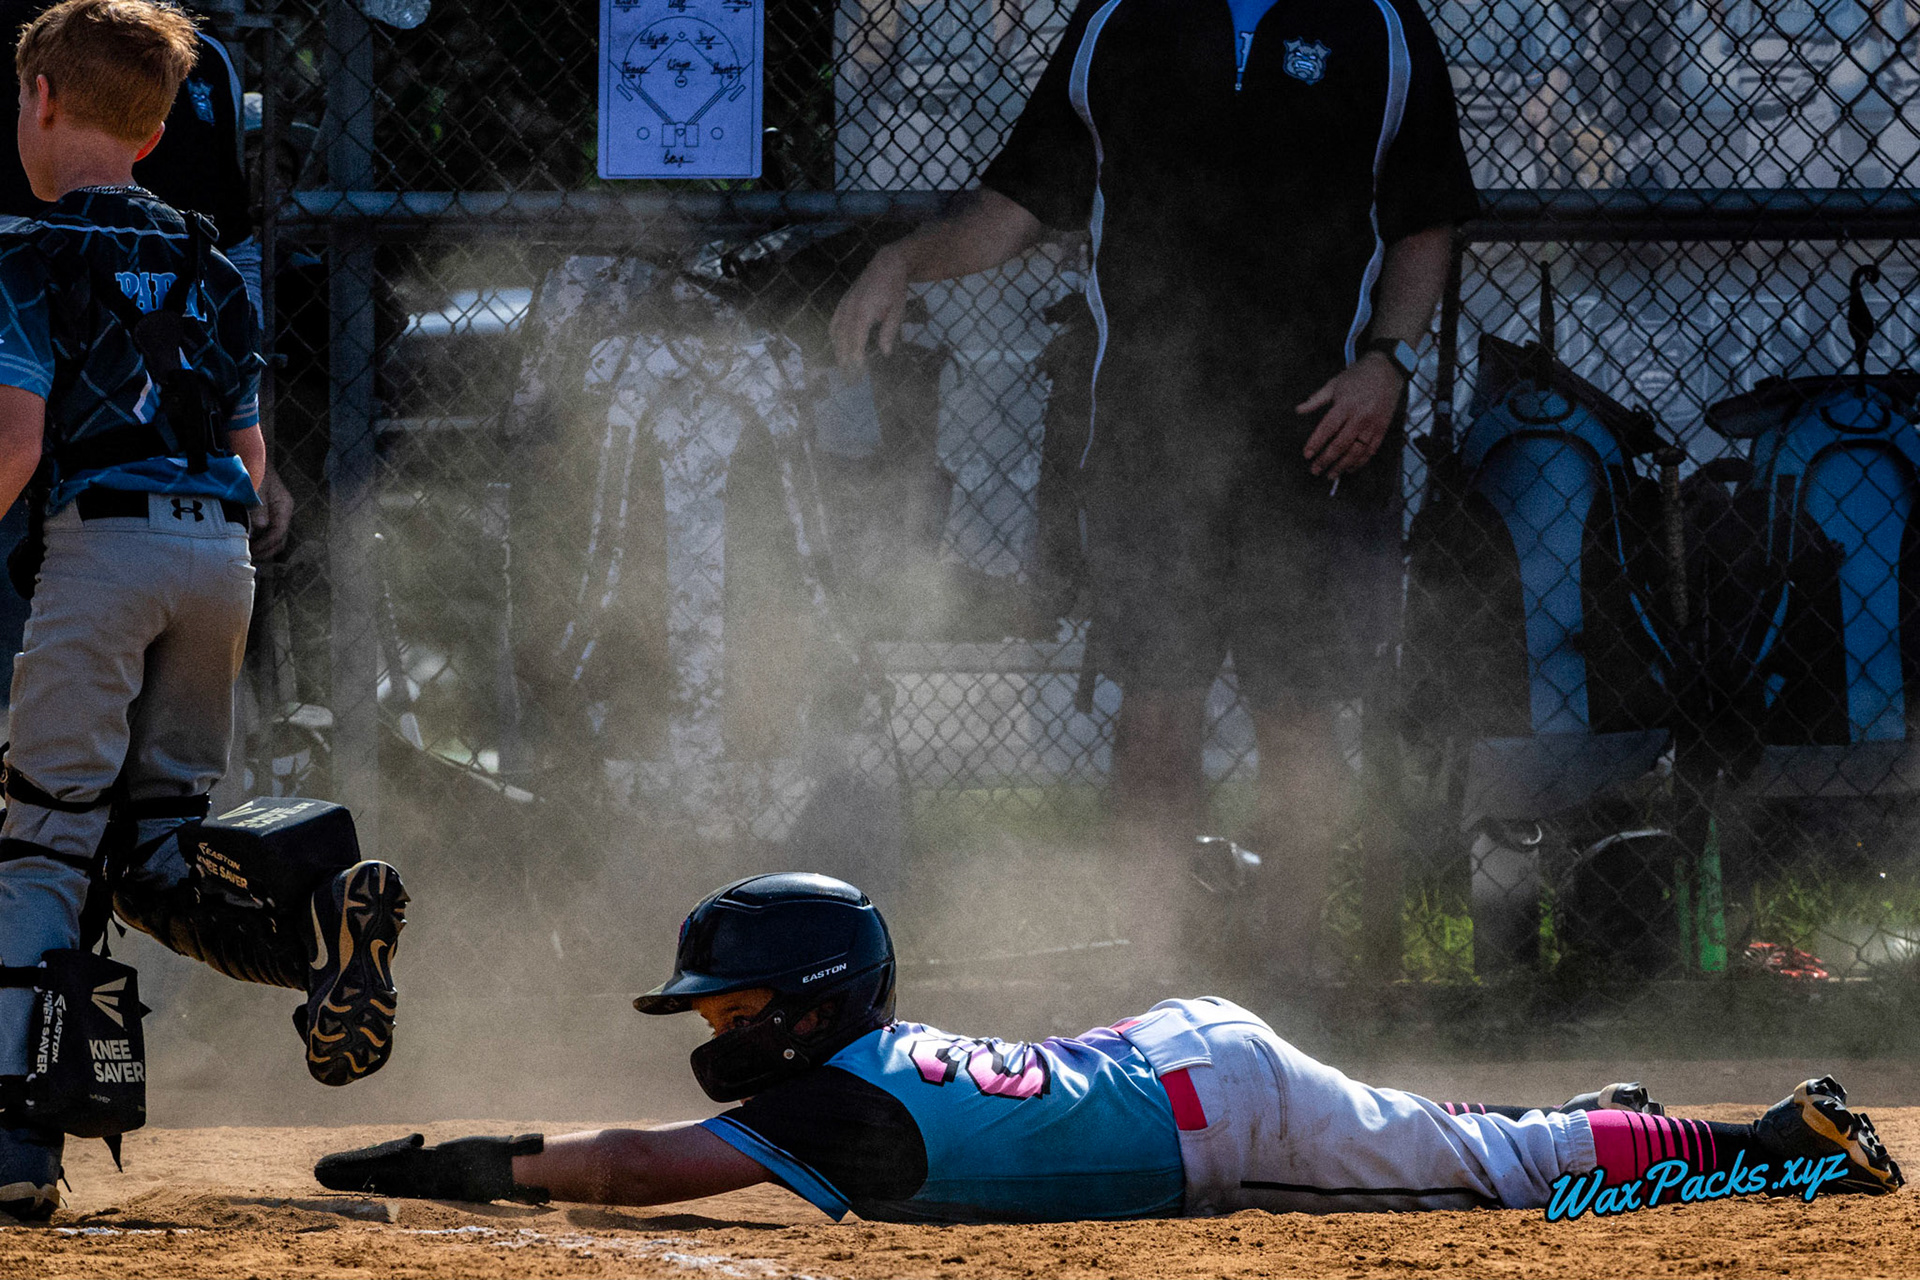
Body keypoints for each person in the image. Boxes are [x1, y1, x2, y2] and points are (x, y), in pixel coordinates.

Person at [830, 0, 1480, 976]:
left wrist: (1386, 361)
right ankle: (1151, 980)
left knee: (1299, 718)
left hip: (1319, 443)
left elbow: (1424, 219)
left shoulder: (1378, 24)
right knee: (1155, 710)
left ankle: (1289, 978)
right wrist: (900, 262)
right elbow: (1016, 206)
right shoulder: (1122, 20)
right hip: (1148, 438)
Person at [316, 873, 1903, 1219]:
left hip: (1213, 1108)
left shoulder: (833, 1119)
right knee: (1420, 1135)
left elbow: (627, 1169)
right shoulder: (843, 1076)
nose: (719, 1036)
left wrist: (442, 1163)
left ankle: (1775, 1144)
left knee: (1488, 1179)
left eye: (733, 1009)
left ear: (807, 1007)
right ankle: (1587, 1113)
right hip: (1176, 1056)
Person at [0, 0, 405, 1223]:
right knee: (156, 846)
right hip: (216, 561)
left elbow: (15, 446)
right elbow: (254, 467)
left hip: (102, 551)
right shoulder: (207, 261)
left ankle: (17, 1145)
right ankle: (316, 932)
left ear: (40, 101)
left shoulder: (25, 254)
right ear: (163, 123)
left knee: (43, 837)